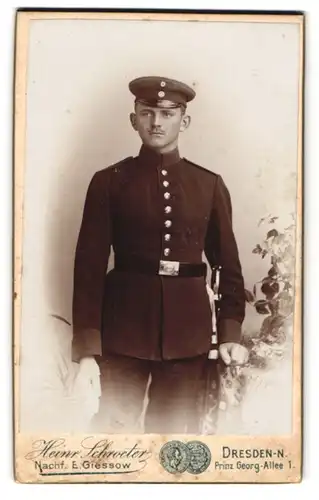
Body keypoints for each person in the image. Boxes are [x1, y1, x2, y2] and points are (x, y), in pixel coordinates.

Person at [72, 76, 248, 433]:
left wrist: (230, 333)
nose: (156, 122)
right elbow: (88, 268)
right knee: (113, 435)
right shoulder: (108, 181)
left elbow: (228, 265)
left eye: (167, 114)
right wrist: (88, 350)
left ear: (184, 121)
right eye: (147, 112)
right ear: (133, 118)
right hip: (122, 332)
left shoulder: (208, 184)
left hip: (188, 335)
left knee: (173, 439)